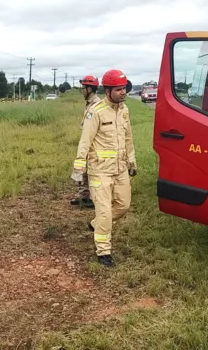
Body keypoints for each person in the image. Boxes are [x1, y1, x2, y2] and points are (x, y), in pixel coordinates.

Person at [71, 69, 137, 267]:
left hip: (120, 169)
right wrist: (78, 167)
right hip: (100, 170)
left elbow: (128, 138)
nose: (123, 93)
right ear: (108, 91)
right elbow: (85, 140)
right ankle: (103, 251)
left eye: (124, 89)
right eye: (119, 89)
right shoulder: (96, 112)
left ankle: (95, 225)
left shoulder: (124, 111)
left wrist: (132, 160)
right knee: (105, 213)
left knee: (123, 206)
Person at [70, 75, 102, 209]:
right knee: (84, 169)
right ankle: (84, 195)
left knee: (92, 172)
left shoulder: (96, 105)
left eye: (83, 88)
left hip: (94, 144)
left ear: (90, 89)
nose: (82, 90)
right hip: (88, 141)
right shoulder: (89, 103)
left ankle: (96, 198)